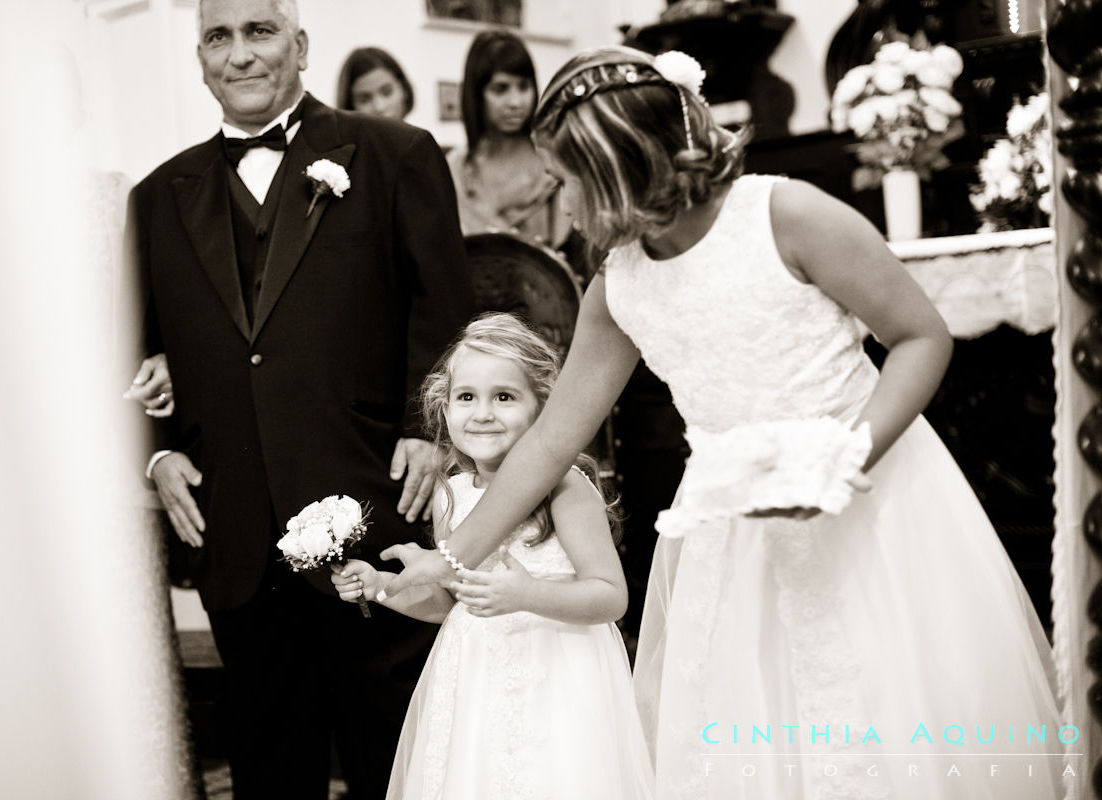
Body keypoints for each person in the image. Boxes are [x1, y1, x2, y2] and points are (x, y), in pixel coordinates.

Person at [383, 47, 1065, 798]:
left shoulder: (789, 215)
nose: (559, 199)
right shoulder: (619, 286)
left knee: (889, 719)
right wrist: (449, 561)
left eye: (567, 179)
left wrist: (846, 457)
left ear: (618, 167)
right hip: (734, 539)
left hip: (873, 504)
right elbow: (550, 440)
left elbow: (921, 336)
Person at [125, 0, 473, 797]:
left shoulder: (396, 157)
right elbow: (129, 357)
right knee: (268, 768)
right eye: (219, 36)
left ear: (301, 45)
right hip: (235, 529)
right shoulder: (156, 199)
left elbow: (450, 318)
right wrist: (159, 453)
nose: (240, 54)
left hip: (374, 516)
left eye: (260, 31)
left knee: (397, 759)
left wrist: (428, 430)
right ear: (200, 58)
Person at [331, 313, 654, 799]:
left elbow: (611, 598)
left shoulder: (564, 487)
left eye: (504, 397)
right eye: (466, 397)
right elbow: (451, 604)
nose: (482, 413)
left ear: (544, 408)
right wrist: (381, 586)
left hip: (558, 674)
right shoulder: (451, 494)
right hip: (476, 678)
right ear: (444, 408)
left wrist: (528, 594)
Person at [446, 30, 573, 250]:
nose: (515, 102)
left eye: (524, 87)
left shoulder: (556, 161)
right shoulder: (457, 168)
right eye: (500, 89)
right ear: (476, 94)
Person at [335, 46, 414, 120]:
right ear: (350, 108)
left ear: (404, 89)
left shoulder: (423, 134)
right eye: (364, 100)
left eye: (387, 92)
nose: (380, 107)